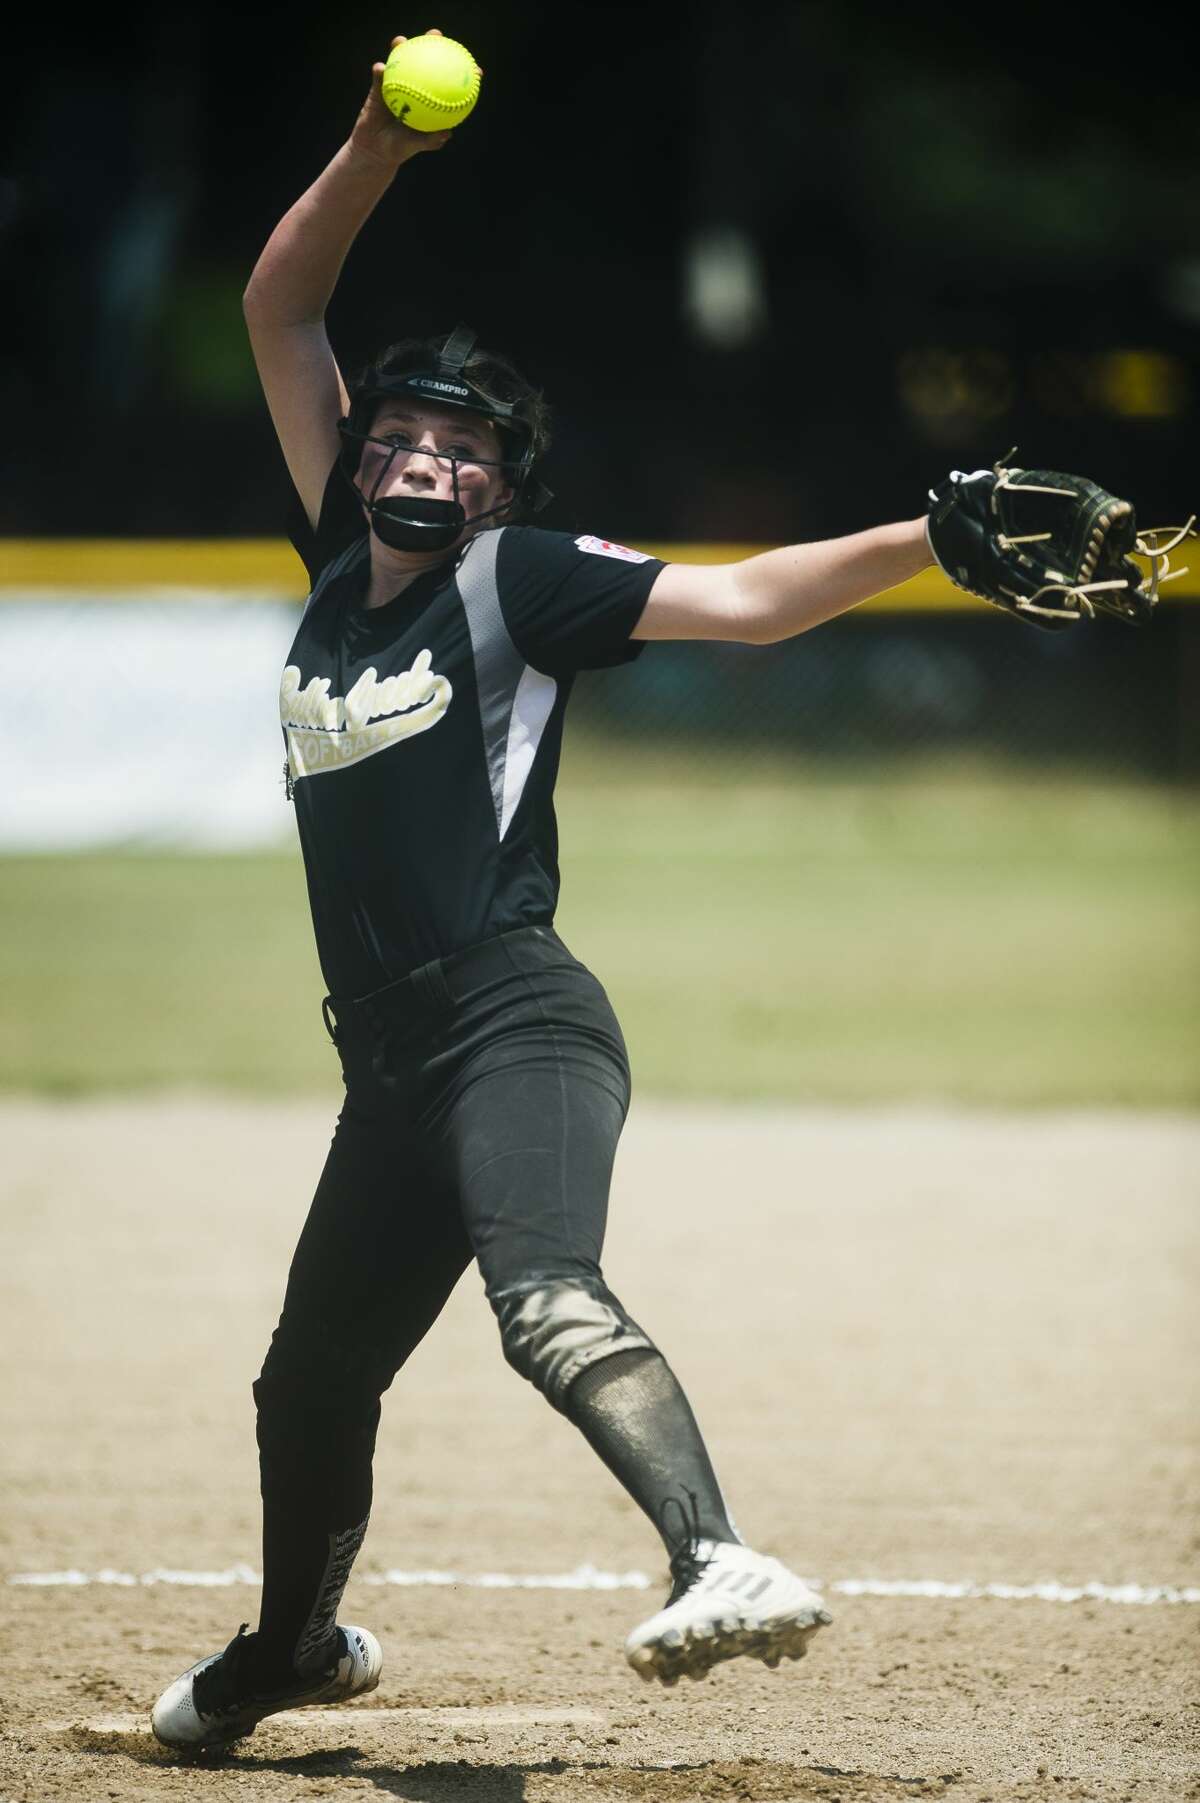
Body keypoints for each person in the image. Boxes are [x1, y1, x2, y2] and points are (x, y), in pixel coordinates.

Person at [151, 32, 936, 1752]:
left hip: (514, 1020)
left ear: (504, 488)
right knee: (308, 1383)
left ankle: (719, 1552)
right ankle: (291, 1646)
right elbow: (283, 311)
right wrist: (371, 145)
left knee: (545, 1300)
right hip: (390, 1066)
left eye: (465, 447)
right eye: (405, 431)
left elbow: (743, 607)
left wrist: (923, 544)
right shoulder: (337, 567)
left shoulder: (513, 579)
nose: (427, 458)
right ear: (362, 459)